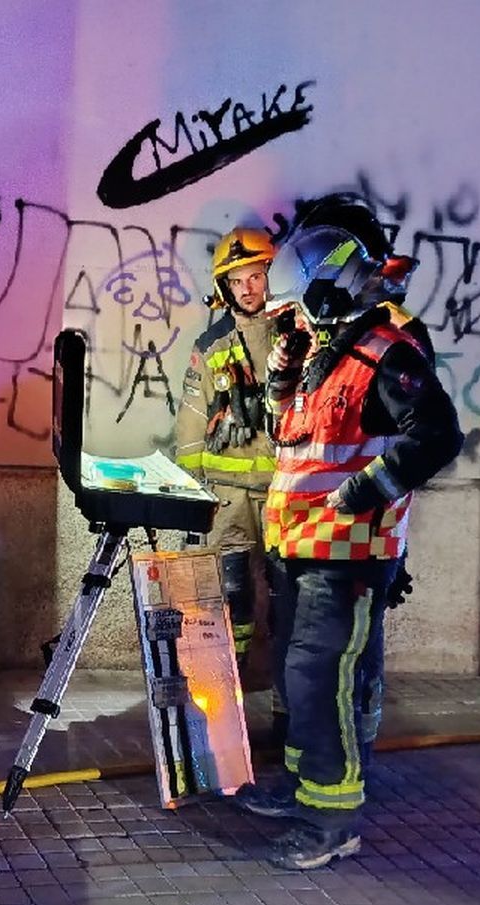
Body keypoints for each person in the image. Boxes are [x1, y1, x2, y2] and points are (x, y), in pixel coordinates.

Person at [235, 194, 464, 871]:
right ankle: (305, 789)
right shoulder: (323, 352)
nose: (287, 314)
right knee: (300, 676)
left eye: (295, 300)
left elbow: (438, 435)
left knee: (322, 678)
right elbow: (300, 439)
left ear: (326, 287)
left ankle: (331, 821)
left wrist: (364, 495)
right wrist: (281, 385)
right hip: (305, 549)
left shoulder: (384, 350)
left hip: (349, 554)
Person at [173, 226, 283, 721]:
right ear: (224, 287)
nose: (247, 289)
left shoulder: (297, 335)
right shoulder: (213, 343)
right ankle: (229, 699)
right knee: (233, 596)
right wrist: (189, 494)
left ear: (270, 278)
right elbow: (192, 422)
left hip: (286, 494)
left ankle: (288, 701)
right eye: (236, 281)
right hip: (228, 498)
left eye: (255, 276)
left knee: (290, 600)